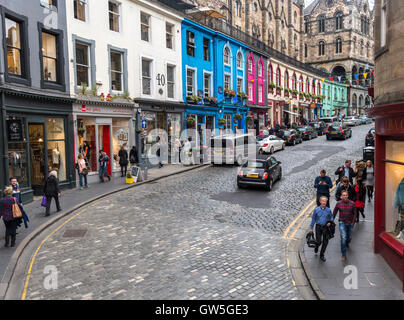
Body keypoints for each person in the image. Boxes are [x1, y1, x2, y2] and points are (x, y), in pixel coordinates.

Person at [333, 190, 357, 261]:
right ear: (341, 196)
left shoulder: (352, 203)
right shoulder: (338, 203)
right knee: (343, 238)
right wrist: (331, 221)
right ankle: (343, 254)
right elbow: (334, 213)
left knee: (349, 237)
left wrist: (353, 222)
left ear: (348, 195)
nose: (345, 196)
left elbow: (355, 214)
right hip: (342, 222)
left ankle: (347, 243)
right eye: (343, 195)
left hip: (350, 223)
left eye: (346, 195)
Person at [310, 196, 334, 262]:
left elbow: (331, 217)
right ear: (320, 201)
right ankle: (317, 246)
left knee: (325, 242)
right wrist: (311, 228)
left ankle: (322, 255)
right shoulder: (316, 210)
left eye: (325, 201)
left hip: (326, 228)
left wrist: (330, 222)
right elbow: (313, 219)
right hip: (318, 227)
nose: (324, 202)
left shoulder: (328, 210)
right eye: (323, 201)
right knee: (319, 241)